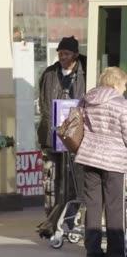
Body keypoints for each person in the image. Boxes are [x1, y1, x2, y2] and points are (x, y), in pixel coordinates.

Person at [75, 67, 127, 257]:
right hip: (113, 162)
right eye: (124, 85)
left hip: (89, 159)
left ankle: (93, 250)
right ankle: (116, 251)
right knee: (115, 207)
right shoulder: (121, 104)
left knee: (93, 206)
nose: (124, 90)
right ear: (115, 84)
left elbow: (77, 124)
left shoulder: (87, 99)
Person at [37, 36, 87, 218]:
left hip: (77, 138)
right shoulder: (49, 73)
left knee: (76, 179)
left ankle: (72, 218)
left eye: (66, 53)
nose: (62, 57)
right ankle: (52, 220)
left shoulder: (86, 72)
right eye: (60, 53)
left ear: (76, 54)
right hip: (53, 136)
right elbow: (44, 104)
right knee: (52, 180)